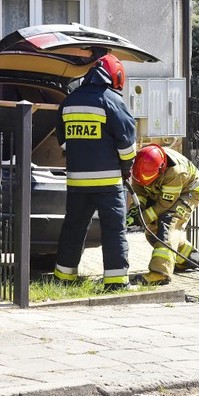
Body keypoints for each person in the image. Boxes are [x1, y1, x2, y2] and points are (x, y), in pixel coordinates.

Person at [53, 54, 136, 291]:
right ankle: (117, 281)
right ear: (116, 77)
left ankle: (64, 278)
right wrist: (125, 168)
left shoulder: (69, 101)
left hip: (77, 181)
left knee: (73, 227)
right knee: (114, 229)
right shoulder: (112, 101)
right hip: (108, 182)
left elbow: (63, 138)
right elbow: (128, 145)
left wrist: (81, 156)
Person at [127, 144, 199, 284]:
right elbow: (139, 189)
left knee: (168, 224)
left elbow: (164, 205)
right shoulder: (141, 163)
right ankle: (188, 256)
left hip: (187, 192)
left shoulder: (175, 172)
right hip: (162, 189)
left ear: (161, 169)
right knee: (152, 229)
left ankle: (160, 273)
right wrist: (135, 210)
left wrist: (141, 218)